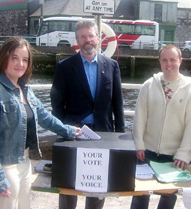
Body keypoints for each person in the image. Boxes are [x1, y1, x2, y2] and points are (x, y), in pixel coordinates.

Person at [0, 37, 80, 209]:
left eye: (25, 59)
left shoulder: (25, 89)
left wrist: (69, 131)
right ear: (4, 58)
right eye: (15, 58)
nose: (20, 64)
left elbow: (45, 118)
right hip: (4, 166)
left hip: (24, 162)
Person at [50, 20, 125, 209]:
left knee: (98, 186)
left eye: (91, 36)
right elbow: (57, 105)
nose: (88, 40)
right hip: (73, 134)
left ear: (98, 38)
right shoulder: (64, 67)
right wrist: (62, 132)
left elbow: (118, 104)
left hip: (103, 134)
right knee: (68, 185)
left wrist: (120, 137)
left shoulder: (112, 66)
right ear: (77, 40)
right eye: (83, 37)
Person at [130, 44, 191, 209]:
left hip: (173, 155)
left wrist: (183, 154)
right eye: (165, 60)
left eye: (173, 60)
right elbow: (139, 117)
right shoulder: (149, 85)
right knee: (140, 195)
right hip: (146, 151)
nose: (169, 64)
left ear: (180, 61)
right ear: (159, 62)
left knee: (168, 197)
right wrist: (138, 144)